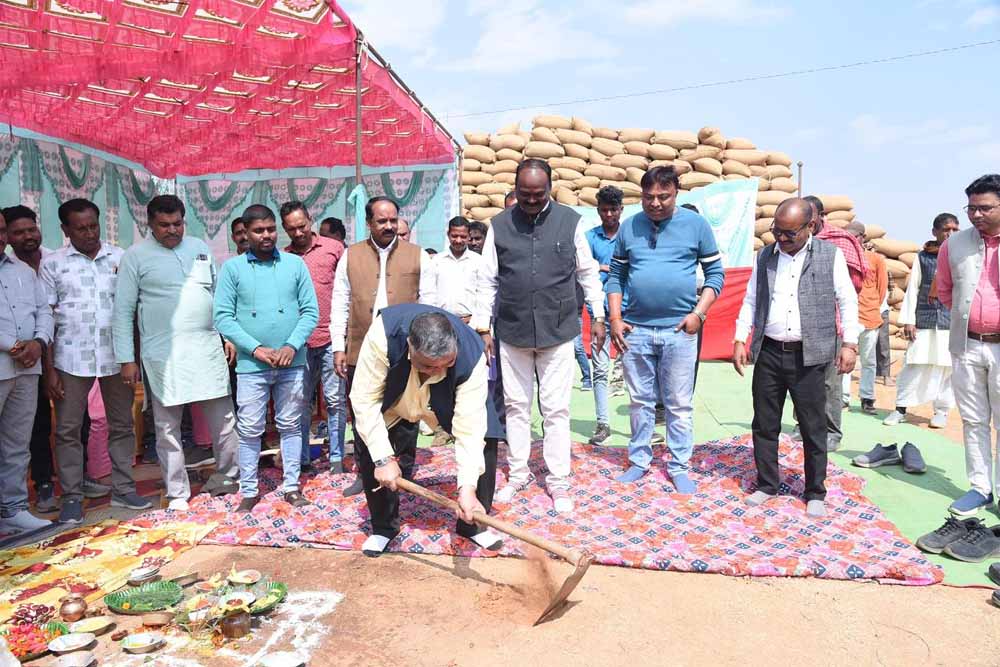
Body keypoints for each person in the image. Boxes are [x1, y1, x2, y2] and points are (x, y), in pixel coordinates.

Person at [479, 158, 606, 513]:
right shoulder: (499, 225)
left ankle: (559, 480)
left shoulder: (570, 222)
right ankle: (518, 475)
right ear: (515, 189)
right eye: (524, 194)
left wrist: (597, 315)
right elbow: (487, 280)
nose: (532, 201)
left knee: (556, 409)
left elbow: (587, 272)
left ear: (550, 188)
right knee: (516, 407)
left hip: (559, 330)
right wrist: (482, 326)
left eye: (538, 194)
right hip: (512, 330)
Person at [732, 198, 859, 518]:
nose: (781, 238)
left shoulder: (830, 256)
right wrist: (739, 338)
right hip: (770, 352)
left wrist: (850, 344)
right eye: (777, 230)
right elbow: (750, 300)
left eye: (789, 233)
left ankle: (815, 490)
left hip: (811, 356)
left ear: (811, 227)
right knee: (764, 423)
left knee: (814, 427)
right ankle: (767, 484)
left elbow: (847, 301)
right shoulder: (765, 257)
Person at [113, 195, 240, 511]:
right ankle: (177, 492)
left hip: (207, 348)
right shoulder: (136, 256)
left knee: (224, 420)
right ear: (151, 225)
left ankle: (229, 477)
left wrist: (227, 335)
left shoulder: (199, 247)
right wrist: (126, 359)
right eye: (164, 225)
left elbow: (216, 295)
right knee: (167, 428)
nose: (172, 230)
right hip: (162, 354)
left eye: (177, 223)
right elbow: (122, 310)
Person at [350, 305, 503, 555]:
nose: (439, 371)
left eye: (448, 363)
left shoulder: (472, 354)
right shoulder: (383, 335)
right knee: (372, 442)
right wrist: (383, 458)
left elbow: (469, 429)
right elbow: (364, 401)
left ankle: (473, 524)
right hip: (398, 392)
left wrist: (467, 487)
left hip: (448, 398)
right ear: (411, 346)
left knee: (485, 437)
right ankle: (383, 528)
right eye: (430, 366)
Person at [607, 166, 725, 488]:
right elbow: (615, 277)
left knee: (678, 404)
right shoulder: (630, 227)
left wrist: (697, 315)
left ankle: (679, 466)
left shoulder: (696, 226)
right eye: (648, 197)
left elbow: (716, 275)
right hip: (637, 331)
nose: (655, 203)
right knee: (640, 402)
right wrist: (615, 319)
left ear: (677, 193)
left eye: (664, 196)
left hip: (679, 331)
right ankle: (639, 461)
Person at [40, 199, 150, 524]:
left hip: (117, 357)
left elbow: (133, 311)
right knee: (68, 430)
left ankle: (123, 487)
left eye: (93, 226)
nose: (89, 233)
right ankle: (72, 496)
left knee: (122, 425)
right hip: (69, 360)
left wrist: (134, 358)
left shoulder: (120, 258)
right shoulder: (53, 265)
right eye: (80, 228)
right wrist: (49, 371)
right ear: (65, 230)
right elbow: (46, 318)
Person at [215, 205, 319, 512]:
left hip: (292, 361)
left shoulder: (294, 265)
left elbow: (310, 311)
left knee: (290, 425)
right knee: (249, 429)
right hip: (251, 365)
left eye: (271, 229)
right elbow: (223, 317)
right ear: (245, 233)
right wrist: (257, 349)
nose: (266, 236)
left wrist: (291, 346)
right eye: (259, 230)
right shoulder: (233, 269)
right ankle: (248, 489)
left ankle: (291, 486)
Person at [330, 196, 436, 496]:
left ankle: (406, 470)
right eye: (382, 221)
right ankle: (366, 474)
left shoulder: (418, 256)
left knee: (405, 411)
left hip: (405, 349)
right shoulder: (350, 256)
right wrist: (339, 345)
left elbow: (430, 303)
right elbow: (340, 302)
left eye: (393, 220)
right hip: (361, 348)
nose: (389, 226)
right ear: (368, 223)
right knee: (363, 411)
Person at [936, 175, 1000, 517]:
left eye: (985, 208)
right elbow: (945, 290)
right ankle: (980, 488)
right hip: (967, 344)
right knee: (974, 420)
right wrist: (972, 318)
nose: (976, 215)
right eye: (971, 208)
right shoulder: (955, 244)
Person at [280, 201, 347, 474]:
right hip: (299, 343)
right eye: (291, 229)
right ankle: (303, 458)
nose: (298, 233)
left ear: (311, 220)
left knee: (335, 401)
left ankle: (337, 459)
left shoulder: (334, 249)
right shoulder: (282, 258)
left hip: (333, 338)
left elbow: (347, 291)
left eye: (302, 226)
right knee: (300, 402)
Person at [798, 195, 867, 451]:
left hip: (830, 323)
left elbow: (852, 288)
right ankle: (802, 426)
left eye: (810, 217)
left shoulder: (839, 242)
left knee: (829, 382)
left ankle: (832, 432)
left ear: (820, 216)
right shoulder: (793, 240)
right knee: (800, 378)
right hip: (799, 324)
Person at [880, 214, 960, 431]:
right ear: (935, 232)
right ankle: (901, 409)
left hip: (950, 322)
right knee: (914, 365)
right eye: (946, 229)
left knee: (947, 368)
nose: (950, 234)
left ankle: (941, 411)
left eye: (955, 229)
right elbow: (913, 289)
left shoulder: (961, 256)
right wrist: (908, 320)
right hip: (924, 319)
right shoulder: (923, 257)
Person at [0, 211, 53, 534]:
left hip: (26, 370)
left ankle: (13, 509)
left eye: (2, 230)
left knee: (17, 443)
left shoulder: (22, 271)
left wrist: (38, 342)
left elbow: (43, 310)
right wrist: (12, 346)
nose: (1, 237)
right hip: (7, 361)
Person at [584, 185, 624, 446]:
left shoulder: (629, 235)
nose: (608, 214)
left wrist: (604, 267)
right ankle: (603, 424)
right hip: (598, 313)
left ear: (621, 210)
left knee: (635, 371)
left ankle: (641, 426)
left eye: (613, 209)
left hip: (626, 312)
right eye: (603, 210)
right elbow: (584, 270)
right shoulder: (589, 237)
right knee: (599, 370)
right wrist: (608, 267)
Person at [843, 221, 888, 415]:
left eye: (855, 236)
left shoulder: (876, 259)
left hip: (869, 316)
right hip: (847, 318)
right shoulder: (840, 257)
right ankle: (843, 398)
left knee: (869, 360)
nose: (852, 239)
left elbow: (882, 288)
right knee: (843, 360)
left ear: (863, 238)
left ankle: (867, 398)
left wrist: (870, 305)